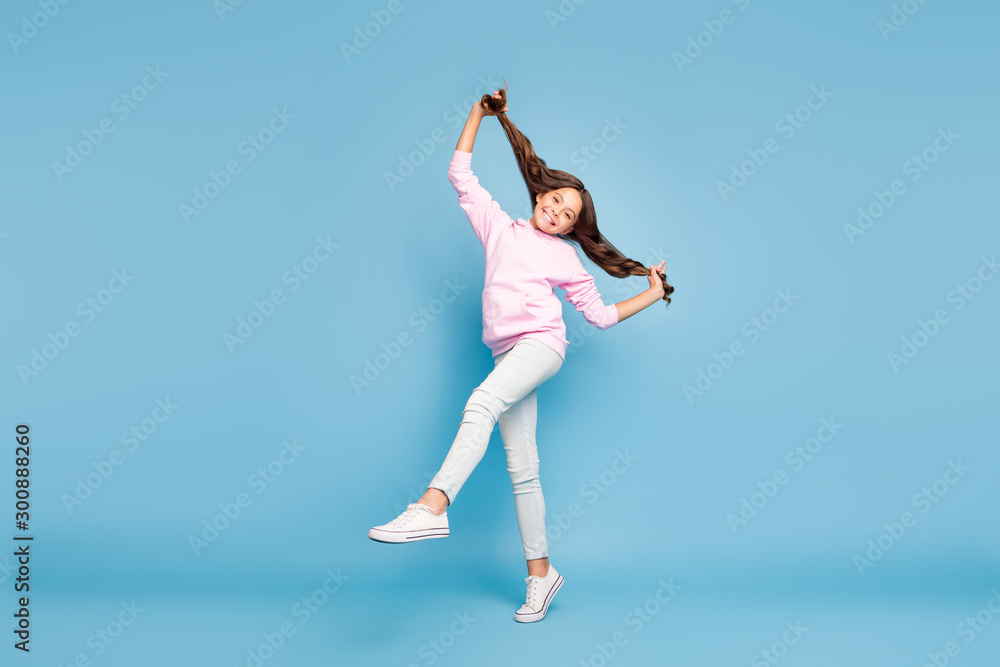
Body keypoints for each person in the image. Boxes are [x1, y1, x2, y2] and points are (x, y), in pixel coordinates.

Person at [368, 81, 673, 623]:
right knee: (523, 469)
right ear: (539, 196)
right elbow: (460, 175)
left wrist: (651, 292)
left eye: (569, 214)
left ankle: (433, 505)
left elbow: (600, 316)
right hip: (506, 355)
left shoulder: (566, 260)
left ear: (573, 228)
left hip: (542, 346)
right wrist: (478, 113)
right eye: (555, 200)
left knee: (480, 404)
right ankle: (542, 574)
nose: (557, 212)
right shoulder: (499, 229)